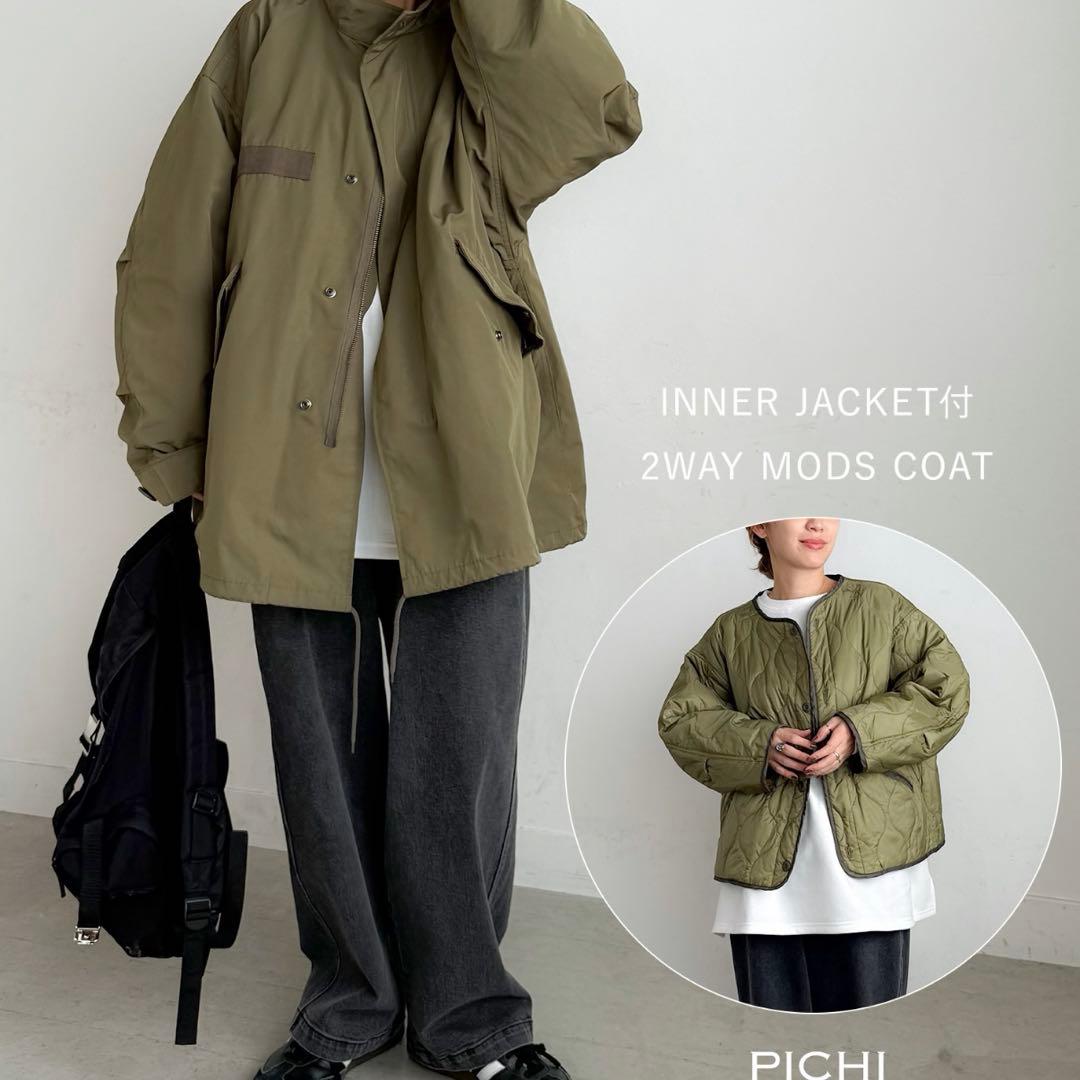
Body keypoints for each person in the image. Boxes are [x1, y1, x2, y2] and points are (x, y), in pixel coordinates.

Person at [111, 0, 641, 1075]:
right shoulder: (271, 31)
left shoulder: (490, 40)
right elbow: (171, 245)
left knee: (462, 763)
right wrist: (171, 441)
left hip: (465, 463)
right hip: (284, 464)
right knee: (320, 764)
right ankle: (349, 1004)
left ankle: (471, 1016)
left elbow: (594, 117)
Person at [657, 518, 971, 1012]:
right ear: (759, 525)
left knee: (867, 1032)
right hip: (763, 874)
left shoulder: (883, 607)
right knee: (773, 1029)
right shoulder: (730, 632)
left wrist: (858, 730)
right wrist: (760, 745)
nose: (817, 522)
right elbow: (682, 720)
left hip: (873, 869)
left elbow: (944, 691)